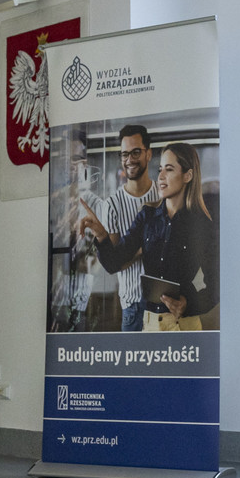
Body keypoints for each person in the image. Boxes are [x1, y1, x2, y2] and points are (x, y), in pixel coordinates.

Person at [80, 141, 218, 331]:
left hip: (185, 325)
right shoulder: (146, 216)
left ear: (188, 175)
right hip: (150, 324)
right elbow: (114, 263)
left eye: (169, 169)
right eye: (160, 169)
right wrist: (101, 234)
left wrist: (188, 303)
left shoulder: (201, 224)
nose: (160, 176)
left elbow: (216, 284)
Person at [98, 125, 159, 330]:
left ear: (148, 154)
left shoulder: (163, 194)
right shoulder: (112, 205)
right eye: (125, 154)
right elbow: (116, 261)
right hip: (132, 306)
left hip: (163, 304)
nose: (129, 159)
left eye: (136, 152)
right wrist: (144, 249)